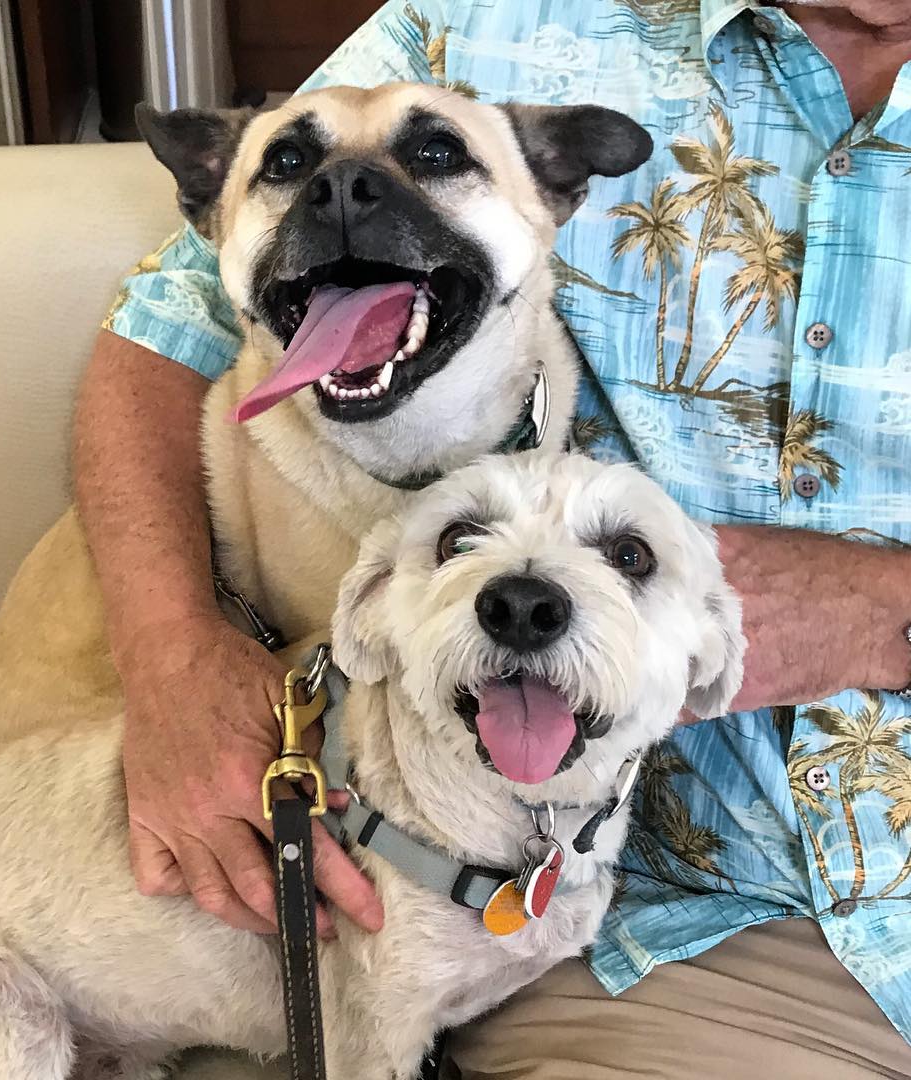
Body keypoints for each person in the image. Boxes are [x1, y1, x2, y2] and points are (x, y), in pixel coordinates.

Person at [78, 1, 911, 1074]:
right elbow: (160, 333)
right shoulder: (483, 30)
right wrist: (169, 656)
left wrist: (886, 608)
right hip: (655, 930)